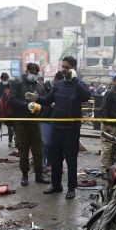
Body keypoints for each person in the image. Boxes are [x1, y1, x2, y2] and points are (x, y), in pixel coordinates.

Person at [36, 56, 91, 199]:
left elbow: (86, 96)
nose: (64, 70)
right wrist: (36, 99)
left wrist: (76, 81)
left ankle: (71, 188)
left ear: (73, 68)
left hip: (71, 130)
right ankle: (56, 185)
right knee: (55, 159)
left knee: (71, 160)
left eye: (67, 67)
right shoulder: (58, 84)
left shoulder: (79, 84)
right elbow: (48, 100)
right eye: (63, 67)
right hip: (57, 128)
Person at [9, 62, 50, 186]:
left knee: (38, 150)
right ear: (26, 71)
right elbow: (11, 100)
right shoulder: (17, 84)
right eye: (31, 72)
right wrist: (26, 105)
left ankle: (39, 174)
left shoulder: (40, 87)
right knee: (23, 150)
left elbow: (45, 104)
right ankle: (25, 175)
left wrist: (38, 107)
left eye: (35, 73)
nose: (33, 75)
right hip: (21, 123)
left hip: (35, 123)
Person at [40, 71, 63, 169]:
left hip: (57, 119)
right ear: (56, 79)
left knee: (53, 144)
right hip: (46, 118)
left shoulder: (61, 87)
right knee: (45, 143)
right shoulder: (44, 86)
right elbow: (40, 102)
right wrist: (49, 106)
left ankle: (50, 163)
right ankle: (42, 164)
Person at [0, 73, 14, 148]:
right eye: (4, 79)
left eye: (6, 79)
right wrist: (2, 97)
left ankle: (10, 141)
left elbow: (13, 96)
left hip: (8, 109)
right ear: (1, 79)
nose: (5, 81)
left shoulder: (10, 86)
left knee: (10, 127)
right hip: (0, 109)